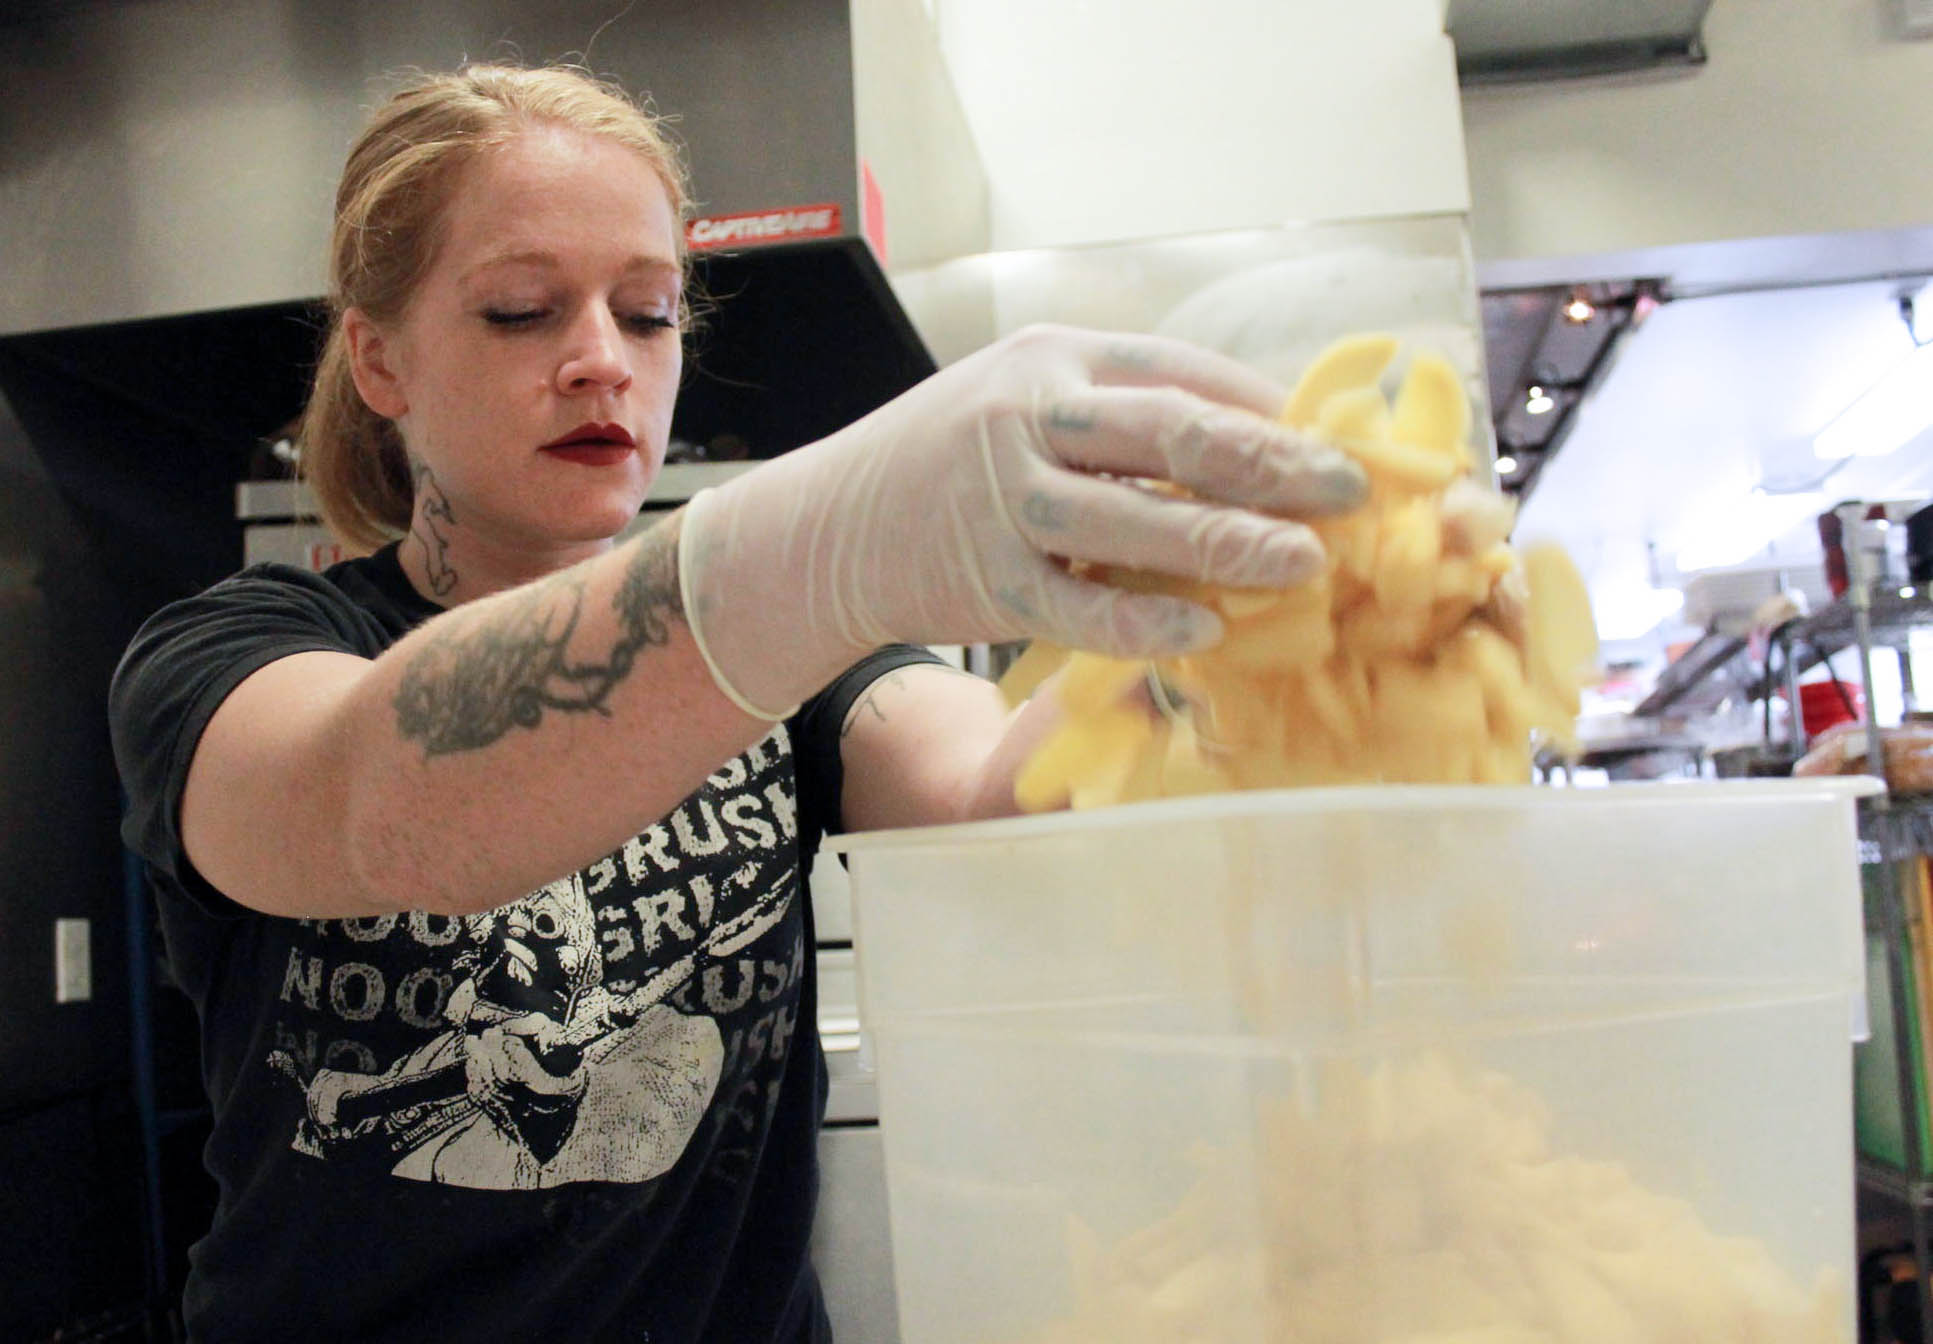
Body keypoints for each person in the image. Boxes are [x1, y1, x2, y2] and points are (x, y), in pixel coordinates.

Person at [107, 63, 1368, 1342]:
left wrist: (1198, 625)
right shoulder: (234, 655)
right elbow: (387, 808)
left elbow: (990, 803)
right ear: (379, 360)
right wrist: (811, 547)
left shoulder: (792, 658)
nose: (601, 361)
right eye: (522, 311)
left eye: (647, 315)